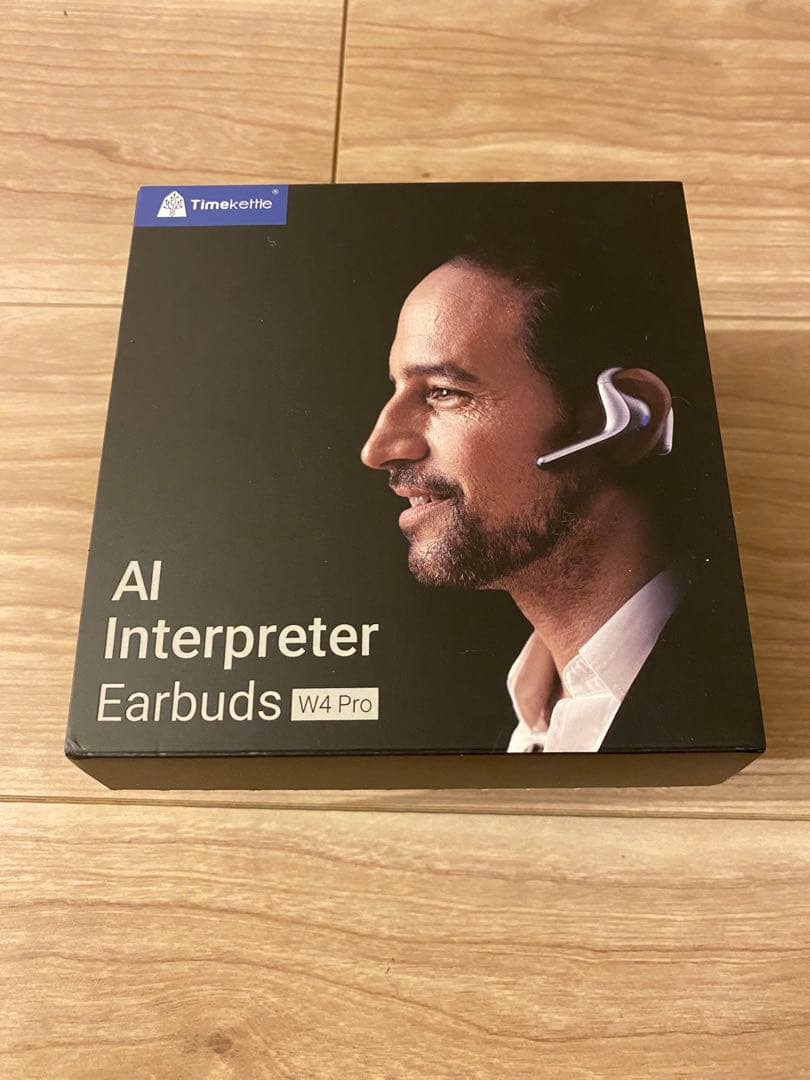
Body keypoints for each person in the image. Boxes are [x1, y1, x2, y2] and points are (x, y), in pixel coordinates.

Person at [360, 248, 705, 753]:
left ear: (625, 422)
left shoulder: (708, 701)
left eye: (443, 391)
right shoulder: (519, 714)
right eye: (398, 388)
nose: (378, 450)